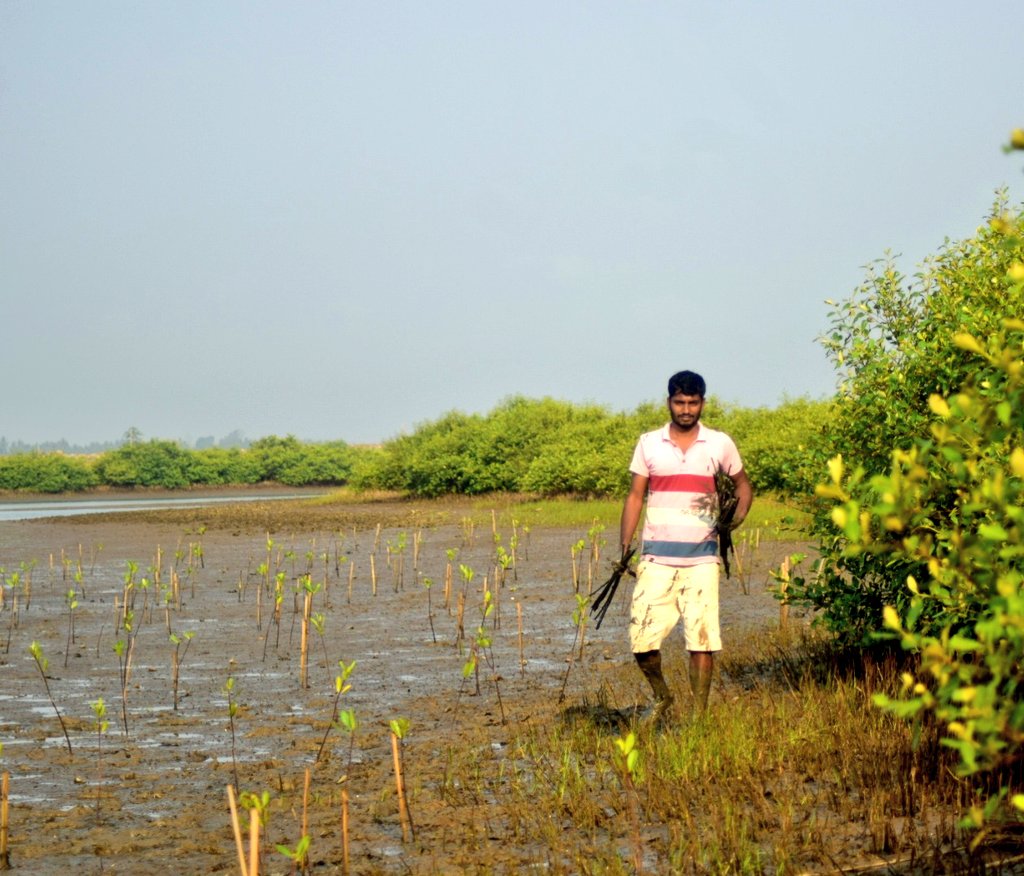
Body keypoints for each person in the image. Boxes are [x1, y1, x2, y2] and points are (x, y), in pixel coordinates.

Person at [619, 370, 753, 719]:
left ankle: (698, 717)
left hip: (703, 559)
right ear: (669, 402)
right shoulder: (648, 442)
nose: (686, 409)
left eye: (693, 402)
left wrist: (731, 522)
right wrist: (624, 548)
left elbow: (742, 486)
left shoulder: (719, 443)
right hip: (656, 559)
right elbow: (635, 497)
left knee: (702, 640)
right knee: (642, 640)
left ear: (702, 403)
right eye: (680, 402)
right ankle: (663, 697)